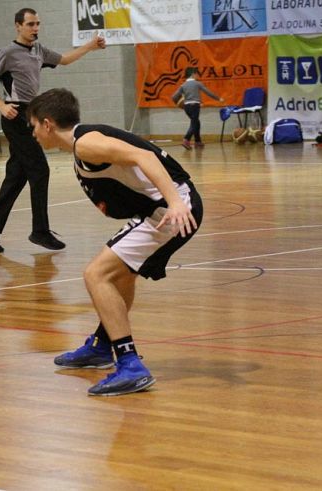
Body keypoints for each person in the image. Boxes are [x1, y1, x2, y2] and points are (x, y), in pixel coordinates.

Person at [27, 88, 203, 396]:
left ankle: (130, 365)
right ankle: (101, 345)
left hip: (170, 210)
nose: (33, 134)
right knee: (120, 275)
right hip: (162, 209)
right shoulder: (83, 142)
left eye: (33, 126)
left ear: (47, 124)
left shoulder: (86, 144)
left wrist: (175, 202)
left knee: (96, 275)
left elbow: (144, 155)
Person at [0, 7, 105, 253]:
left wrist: (89, 46)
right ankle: (40, 231)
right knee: (40, 170)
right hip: (14, 116)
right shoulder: (7, 52)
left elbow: (64, 59)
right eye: (30, 24)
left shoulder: (39, 50)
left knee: (17, 176)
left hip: (30, 115)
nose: (35, 28)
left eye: (38, 24)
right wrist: (1, 106)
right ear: (18, 26)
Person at [171, 67, 223, 150]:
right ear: (193, 74)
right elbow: (208, 92)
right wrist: (218, 98)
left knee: (196, 122)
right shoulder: (197, 83)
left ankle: (198, 141)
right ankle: (186, 139)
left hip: (187, 107)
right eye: (196, 74)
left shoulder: (183, 85)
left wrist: (181, 104)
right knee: (194, 123)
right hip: (195, 106)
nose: (197, 75)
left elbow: (174, 97)